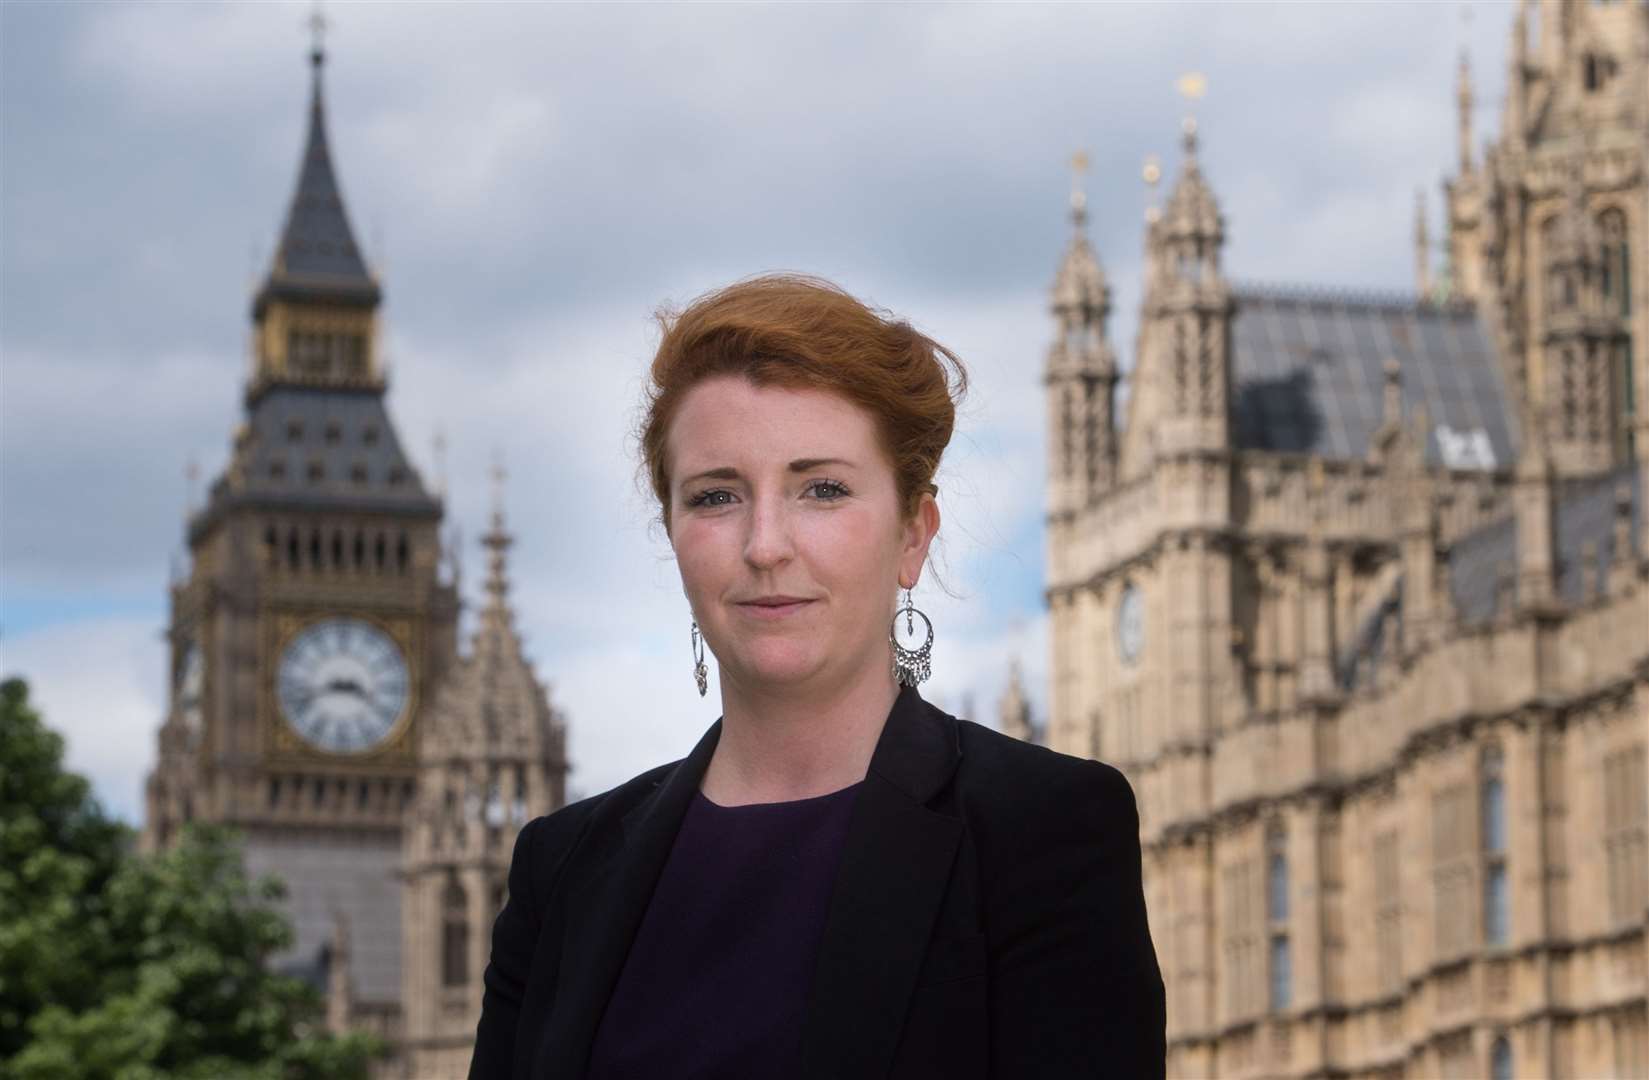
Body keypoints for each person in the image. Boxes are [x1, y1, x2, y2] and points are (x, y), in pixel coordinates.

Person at [468, 274, 1165, 1079]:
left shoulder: (1039, 828)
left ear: (913, 532)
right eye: (716, 495)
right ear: (673, 532)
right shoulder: (562, 870)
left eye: (821, 489)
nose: (765, 544)